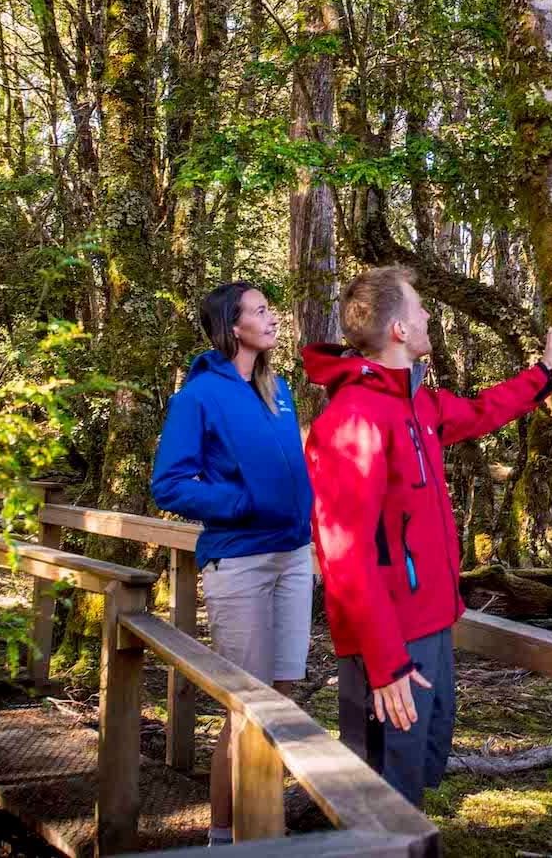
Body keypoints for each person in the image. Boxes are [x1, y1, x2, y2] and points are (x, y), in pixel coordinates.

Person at [302, 265, 552, 808]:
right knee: (383, 790)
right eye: (420, 309)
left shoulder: (418, 402)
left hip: (433, 618)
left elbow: (483, 411)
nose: (427, 317)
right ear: (397, 328)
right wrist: (385, 661)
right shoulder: (354, 419)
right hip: (390, 631)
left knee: (413, 774)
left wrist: (541, 377)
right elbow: (345, 555)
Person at [151, 282, 314, 847]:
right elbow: (169, 484)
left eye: (272, 307)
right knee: (246, 705)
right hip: (241, 561)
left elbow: (289, 467)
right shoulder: (198, 396)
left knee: (285, 692)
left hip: (293, 555)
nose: (272, 318)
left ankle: (261, 822)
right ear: (231, 326)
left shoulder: (278, 388)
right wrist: (242, 505)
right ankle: (225, 837)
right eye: (261, 311)